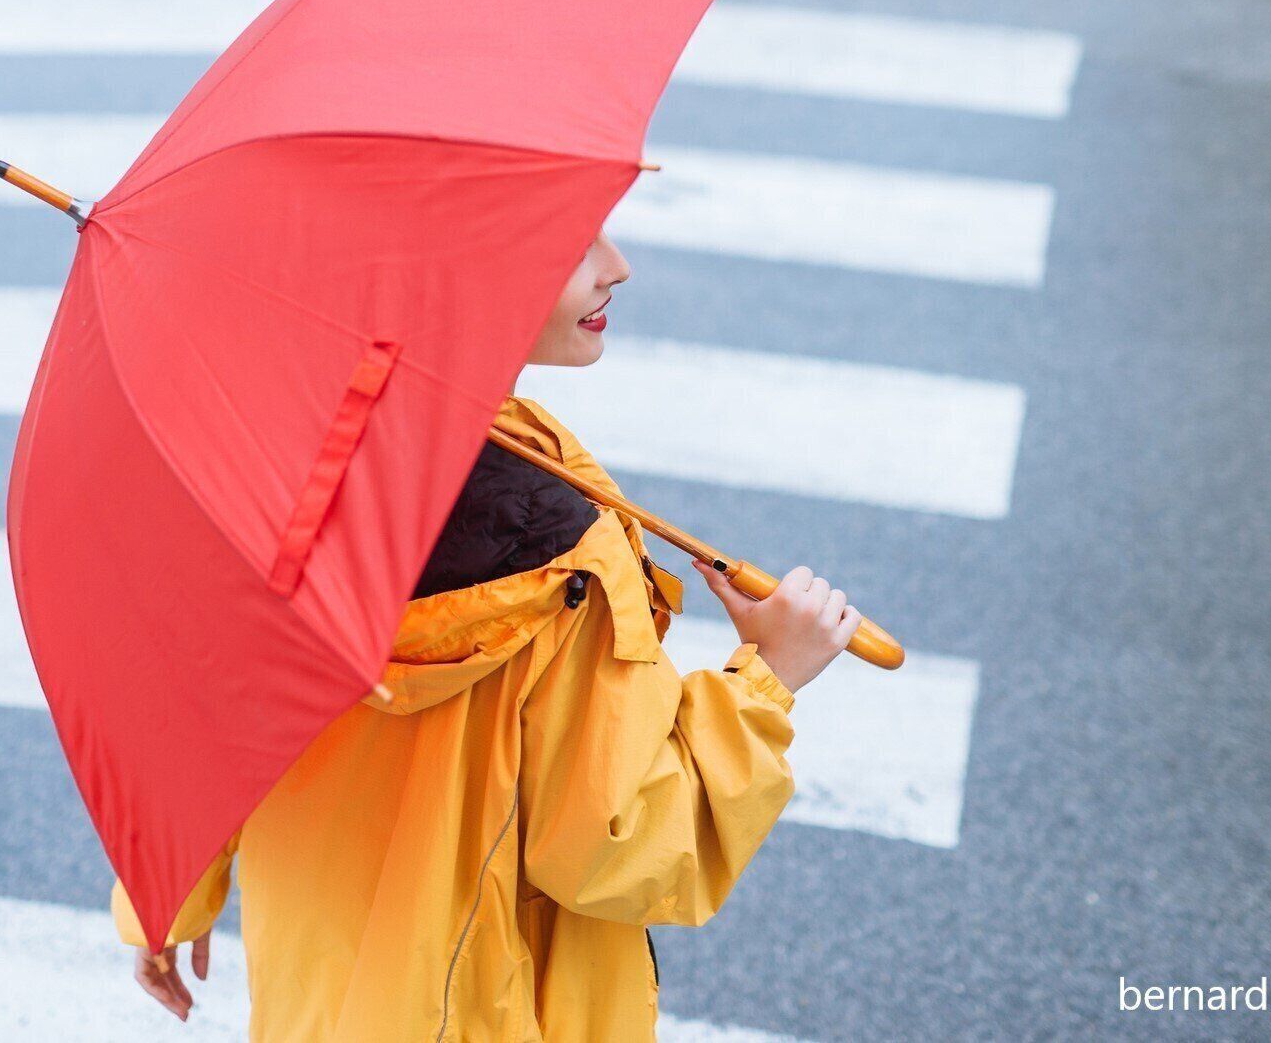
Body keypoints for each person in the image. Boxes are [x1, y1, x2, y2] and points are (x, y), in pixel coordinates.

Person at [114, 228, 862, 1040]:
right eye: (572, 244)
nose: (616, 268)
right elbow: (620, 844)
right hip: (493, 1005)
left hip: (325, 986)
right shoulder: (557, 560)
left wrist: (169, 893)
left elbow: (209, 716)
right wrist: (766, 679)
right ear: (463, 281)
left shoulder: (261, 469)